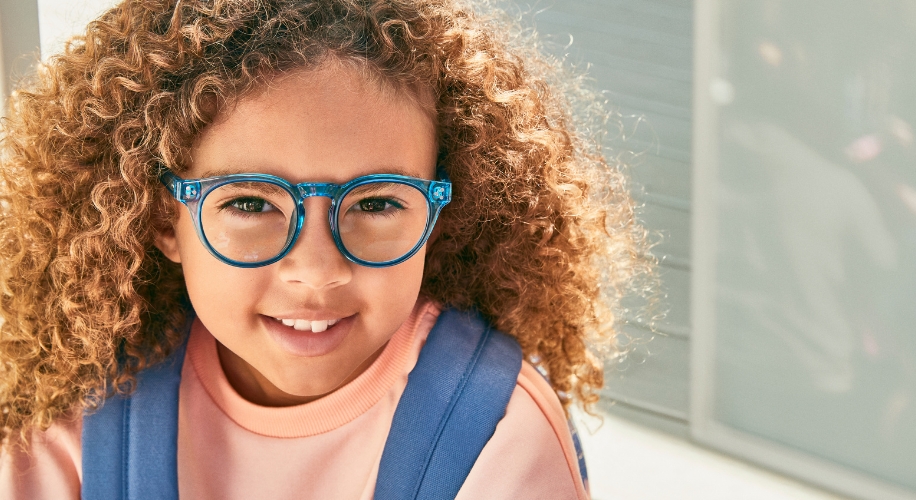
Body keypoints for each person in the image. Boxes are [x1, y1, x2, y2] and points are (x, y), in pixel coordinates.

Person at [0, 0, 650, 498]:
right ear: (163, 220)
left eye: (376, 204)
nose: (315, 271)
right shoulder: (70, 407)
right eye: (250, 204)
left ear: (440, 220)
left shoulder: (494, 432)